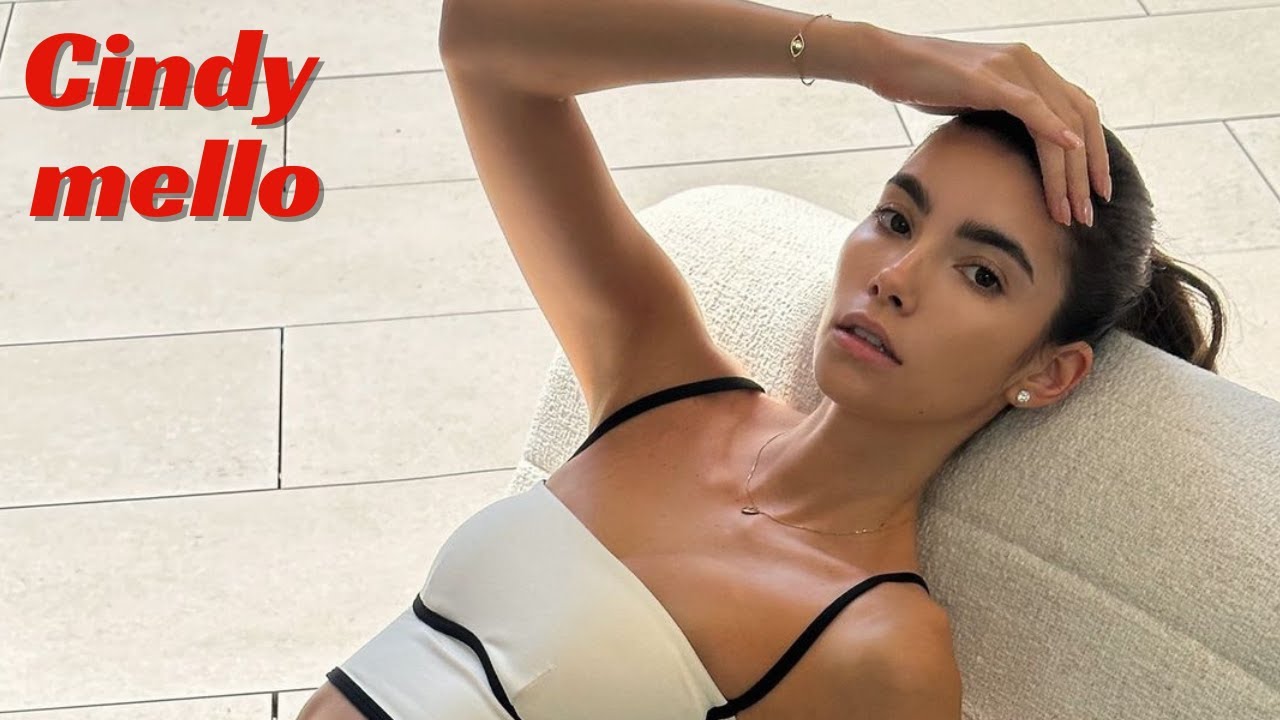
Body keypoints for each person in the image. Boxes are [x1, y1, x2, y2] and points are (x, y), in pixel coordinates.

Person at [298, 1, 1226, 719]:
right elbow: (482, 40)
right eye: (897, 217)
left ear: (1047, 373)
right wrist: (860, 53)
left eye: (981, 274)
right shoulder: (661, 381)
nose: (896, 277)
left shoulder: (879, 648)